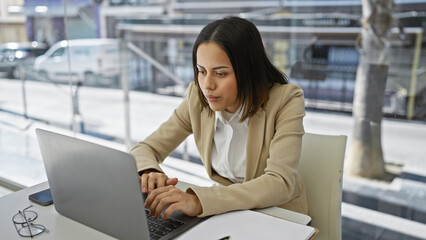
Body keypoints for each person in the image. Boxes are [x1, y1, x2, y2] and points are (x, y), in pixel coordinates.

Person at [130, 16, 308, 220]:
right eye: (201, 71)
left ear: (248, 71)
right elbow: (145, 148)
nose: (207, 85)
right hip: (228, 213)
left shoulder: (286, 100)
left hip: (279, 215)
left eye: (221, 74)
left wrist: (199, 200)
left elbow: (279, 183)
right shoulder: (198, 97)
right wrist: (150, 171)